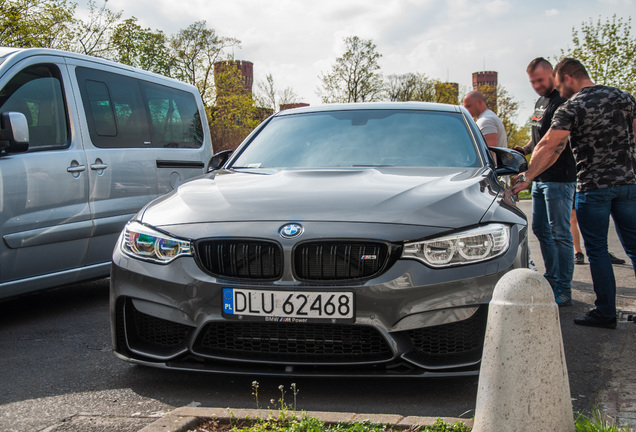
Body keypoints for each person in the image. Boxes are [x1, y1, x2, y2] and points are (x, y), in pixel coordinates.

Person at [512, 58, 636, 329]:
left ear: (567, 78)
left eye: (558, 83)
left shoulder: (573, 106)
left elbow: (552, 145)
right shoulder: (624, 97)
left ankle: (605, 312)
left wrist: (527, 176)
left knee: (598, 251)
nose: (558, 89)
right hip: (628, 186)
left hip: (593, 189)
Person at [513, 57, 576, 306]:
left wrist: (529, 174)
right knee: (541, 230)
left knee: (560, 233)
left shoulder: (563, 102)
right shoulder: (540, 102)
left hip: (559, 179)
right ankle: (550, 279)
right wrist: (524, 150)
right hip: (540, 179)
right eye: (532, 82)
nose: (537, 85)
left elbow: (554, 145)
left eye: (540, 80)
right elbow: (539, 138)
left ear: (552, 74)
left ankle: (563, 288)